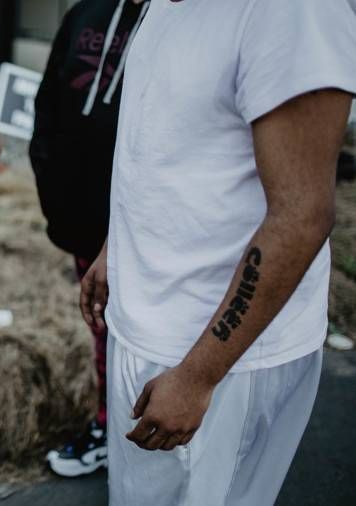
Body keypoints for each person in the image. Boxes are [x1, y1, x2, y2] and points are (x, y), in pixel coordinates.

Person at [78, 0, 356, 504]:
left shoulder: (294, 12)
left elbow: (301, 216)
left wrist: (199, 375)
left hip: (217, 355)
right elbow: (164, 144)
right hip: (148, 322)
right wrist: (113, 247)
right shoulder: (166, 3)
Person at [29, 0, 148, 477]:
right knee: (103, 332)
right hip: (80, 218)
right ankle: (107, 426)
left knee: (143, 337)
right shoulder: (85, 13)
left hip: (142, 223)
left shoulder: (178, 18)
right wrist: (49, 181)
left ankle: (137, 435)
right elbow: (48, 99)